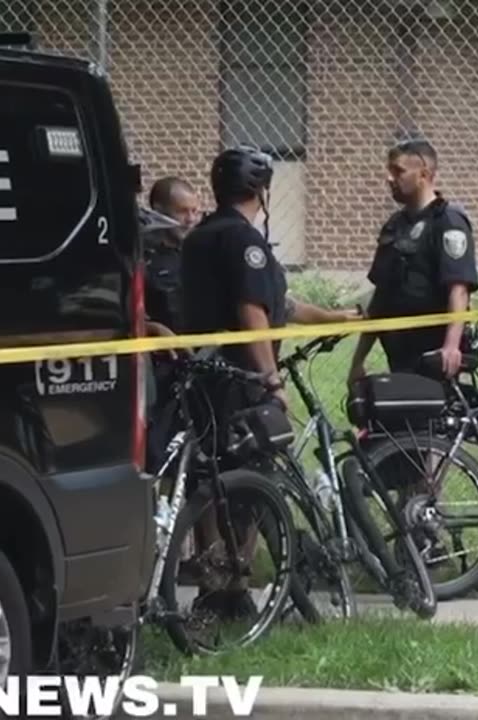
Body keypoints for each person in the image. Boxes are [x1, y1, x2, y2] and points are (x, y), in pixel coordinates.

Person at [177, 145, 354, 621]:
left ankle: (216, 585)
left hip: (201, 378)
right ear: (260, 190)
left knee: (209, 477)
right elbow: (253, 313)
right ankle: (235, 582)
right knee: (253, 478)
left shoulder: (198, 239)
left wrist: (334, 316)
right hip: (240, 380)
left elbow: (282, 304)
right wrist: (271, 379)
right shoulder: (245, 243)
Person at [348, 138, 478, 384]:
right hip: (399, 351)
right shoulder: (394, 226)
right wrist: (358, 361)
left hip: (433, 353)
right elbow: (381, 298)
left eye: (398, 171)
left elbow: (459, 289)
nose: (389, 178)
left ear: (424, 174)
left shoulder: (448, 222)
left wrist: (451, 346)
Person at [140, 175, 201, 336]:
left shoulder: (200, 251)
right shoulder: (140, 256)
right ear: (159, 211)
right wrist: (151, 328)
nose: (191, 219)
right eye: (182, 211)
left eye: (194, 211)